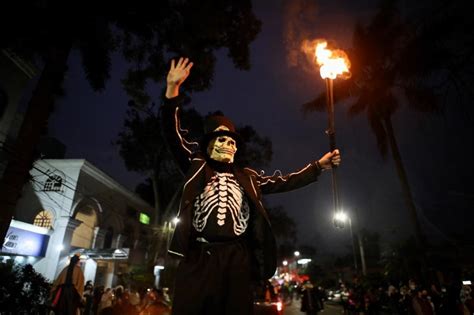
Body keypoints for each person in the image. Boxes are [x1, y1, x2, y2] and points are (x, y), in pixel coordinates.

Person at [162, 57, 341, 315]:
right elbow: (172, 133)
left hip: (237, 256)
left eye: (233, 142)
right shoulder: (197, 164)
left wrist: (318, 166)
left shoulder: (248, 177)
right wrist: (172, 92)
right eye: (221, 139)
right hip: (201, 255)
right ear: (208, 144)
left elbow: (285, 181)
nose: (230, 145)